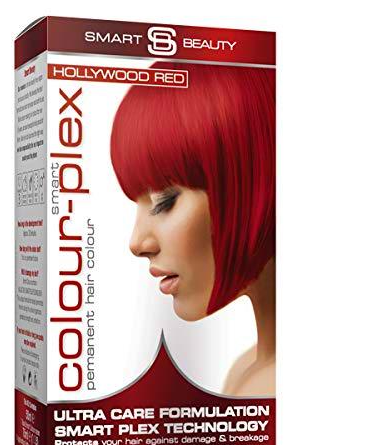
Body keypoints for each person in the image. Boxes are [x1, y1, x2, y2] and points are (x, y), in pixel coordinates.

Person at [110, 62, 275, 396]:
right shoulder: (246, 370)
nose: (137, 243)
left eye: (164, 201)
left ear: (255, 183)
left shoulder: (270, 384)